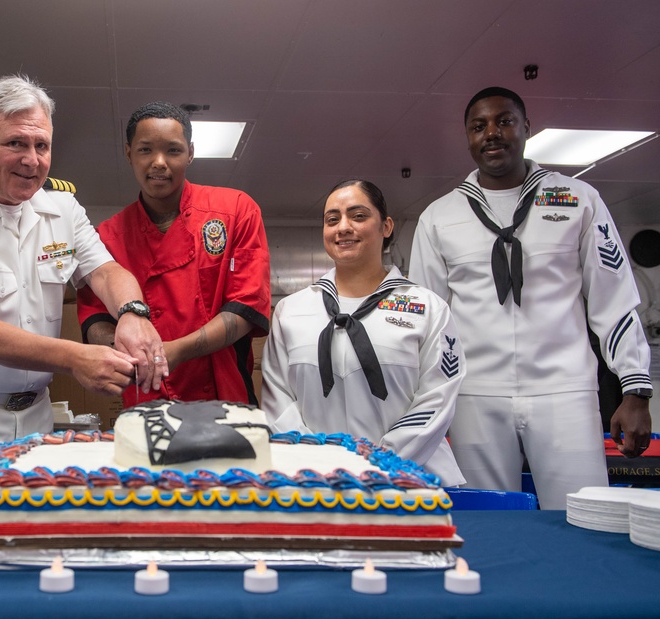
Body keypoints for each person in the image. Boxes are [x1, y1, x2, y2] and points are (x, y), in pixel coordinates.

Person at [0, 74, 167, 487]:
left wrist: (133, 314)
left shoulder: (61, 205)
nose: (32, 160)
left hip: (36, 416)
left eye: (41, 145)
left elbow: (104, 271)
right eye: (16, 143)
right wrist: (73, 358)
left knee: (32, 532)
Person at [409, 86, 652, 509]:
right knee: (487, 522)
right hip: (475, 395)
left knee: (584, 516)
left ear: (526, 128)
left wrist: (635, 389)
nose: (492, 134)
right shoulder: (439, 217)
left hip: (564, 389)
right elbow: (427, 322)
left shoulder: (577, 199)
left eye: (504, 121)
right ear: (466, 137)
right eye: (478, 126)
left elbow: (613, 300)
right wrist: (427, 405)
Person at [262, 180, 465, 485]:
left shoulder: (428, 308)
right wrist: (318, 461)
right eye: (332, 219)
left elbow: (438, 397)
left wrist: (381, 461)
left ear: (386, 226)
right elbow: (277, 398)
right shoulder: (291, 312)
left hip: (412, 479)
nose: (343, 227)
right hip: (316, 482)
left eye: (358, 216)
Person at [77, 101, 271, 407]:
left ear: (190, 153)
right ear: (128, 153)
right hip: (146, 396)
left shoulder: (235, 211)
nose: (159, 162)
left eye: (173, 150)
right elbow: (95, 319)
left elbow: (246, 307)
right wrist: (137, 352)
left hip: (226, 396)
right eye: (145, 150)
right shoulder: (107, 236)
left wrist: (176, 350)